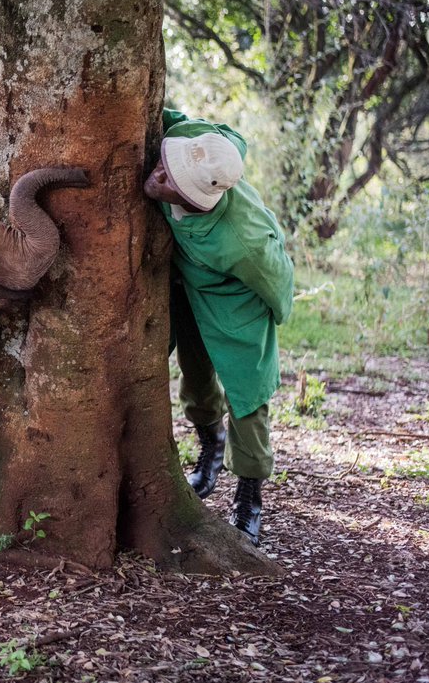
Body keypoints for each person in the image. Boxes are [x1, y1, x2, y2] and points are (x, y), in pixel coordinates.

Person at [142, 109, 295, 546]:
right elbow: (198, 126)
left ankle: (249, 494)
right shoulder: (193, 141)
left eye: (169, 177)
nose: (158, 173)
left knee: (248, 395)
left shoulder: (243, 241)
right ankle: (210, 446)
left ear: (195, 197)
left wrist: (265, 332)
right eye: (165, 163)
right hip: (184, 283)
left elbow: (278, 282)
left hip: (236, 297)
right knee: (195, 374)